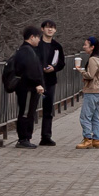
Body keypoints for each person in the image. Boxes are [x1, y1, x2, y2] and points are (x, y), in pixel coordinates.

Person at [9, 26, 45, 148]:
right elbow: (30, 70)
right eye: (38, 37)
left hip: (27, 87)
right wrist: (37, 83)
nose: (39, 40)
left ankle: (26, 138)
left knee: (29, 111)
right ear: (32, 37)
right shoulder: (27, 51)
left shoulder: (25, 50)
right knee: (26, 112)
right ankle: (23, 138)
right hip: (28, 87)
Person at [74, 37, 99, 149]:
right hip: (98, 90)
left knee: (85, 116)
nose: (84, 47)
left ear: (92, 47)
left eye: (86, 45)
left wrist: (80, 70)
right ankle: (96, 139)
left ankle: (87, 138)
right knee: (95, 116)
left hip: (91, 90)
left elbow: (90, 75)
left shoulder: (93, 59)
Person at [37, 19, 65, 147]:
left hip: (50, 80)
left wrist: (54, 68)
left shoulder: (57, 46)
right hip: (36, 79)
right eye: (48, 27)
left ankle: (46, 136)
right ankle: (25, 137)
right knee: (30, 108)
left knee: (48, 109)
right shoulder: (36, 44)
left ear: (55, 30)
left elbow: (62, 63)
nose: (50, 29)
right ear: (42, 29)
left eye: (52, 28)